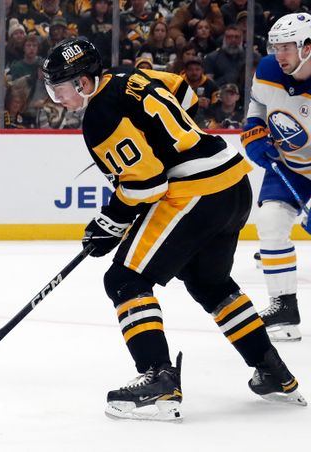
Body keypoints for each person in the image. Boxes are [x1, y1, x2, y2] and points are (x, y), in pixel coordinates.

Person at [41, 37, 305, 422]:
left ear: (83, 82)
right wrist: (168, 140)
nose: (56, 98)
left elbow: (147, 185)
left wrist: (108, 221)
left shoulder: (99, 117)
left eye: (59, 88)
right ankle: (272, 371)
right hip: (230, 180)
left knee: (124, 280)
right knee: (208, 282)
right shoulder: (131, 76)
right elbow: (184, 94)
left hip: (196, 193)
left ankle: (158, 378)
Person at [242, 13, 311, 342]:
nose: (278, 55)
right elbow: (257, 106)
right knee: (269, 222)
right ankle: (284, 306)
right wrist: (253, 131)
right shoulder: (268, 70)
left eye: (286, 48)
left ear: (307, 48)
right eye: (275, 47)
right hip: (290, 166)